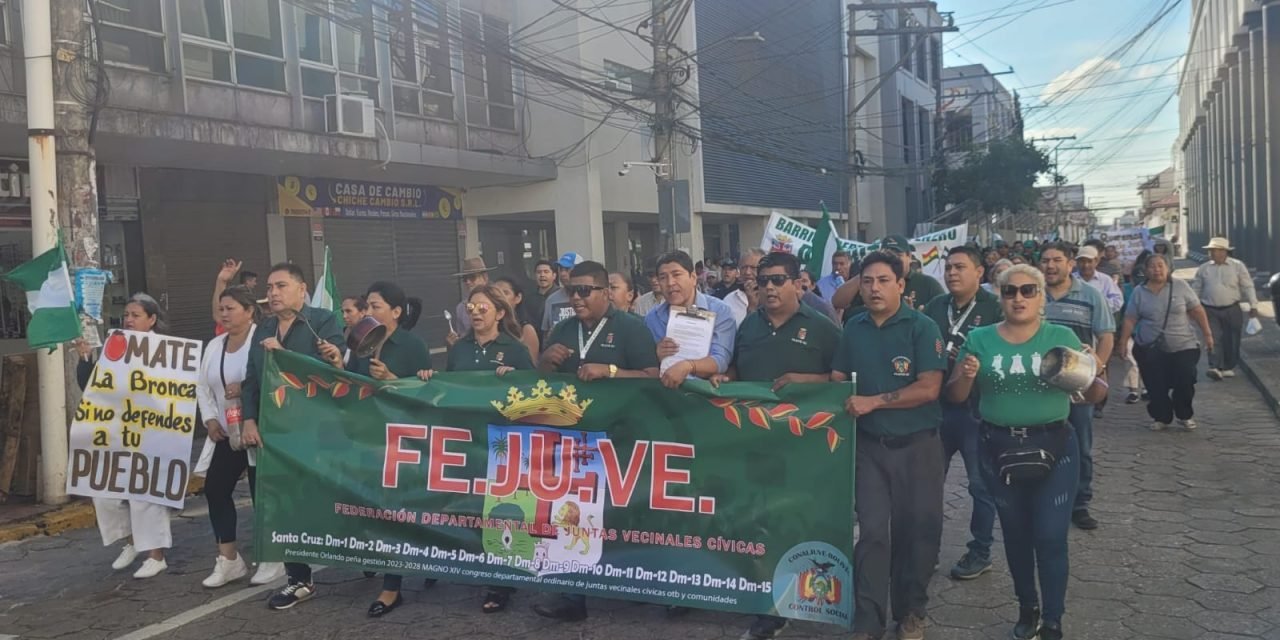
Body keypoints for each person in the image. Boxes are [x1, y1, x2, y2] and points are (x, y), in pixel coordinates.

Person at [946, 264, 1108, 640]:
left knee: (1050, 537)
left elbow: (1095, 396)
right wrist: (966, 375)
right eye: (1010, 291)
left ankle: (1053, 620)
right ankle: (1027, 609)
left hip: (1054, 447)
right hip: (998, 449)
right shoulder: (981, 339)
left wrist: (1092, 369)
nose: (1018, 298)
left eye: (1028, 291)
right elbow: (955, 396)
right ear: (1000, 296)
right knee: (1016, 537)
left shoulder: (1060, 336)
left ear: (1041, 297)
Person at [719, 252, 841, 640]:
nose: (769, 287)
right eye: (763, 281)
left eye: (777, 280)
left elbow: (841, 382)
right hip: (755, 442)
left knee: (798, 522)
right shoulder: (748, 327)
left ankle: (808, 595)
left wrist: (807, 380)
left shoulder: (822, 327)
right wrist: (725, 379)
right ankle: (768, 605)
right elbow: (737, 369)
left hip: (806, 447)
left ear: (796, 283)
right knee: (759, 520)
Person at [533, 261, 658, 623]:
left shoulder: (631, 328)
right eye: (572, 290)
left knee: (625, 514)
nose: (576, 297)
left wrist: (611, 372)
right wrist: (544, 361)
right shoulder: (562, 328)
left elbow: (652, 376)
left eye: (585, 291)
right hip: (574, 440)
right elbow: (541, 381)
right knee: (572, 514)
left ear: (606, 292)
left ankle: (635, 582)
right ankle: (572, 597)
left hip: (622, 437)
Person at [830, 251, 946, 640]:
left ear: (901, 284)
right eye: (867, 281)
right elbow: (838, 376)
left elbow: (930, 387)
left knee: (918, 530)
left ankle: (912, 610)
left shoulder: (922, 327)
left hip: (918, 446)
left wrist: (875, 401)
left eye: (883, 280)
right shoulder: (854, 327)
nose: (874, 288)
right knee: (874, 532)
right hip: (869, 448)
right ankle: (868, 618)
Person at [418, 285, 533, 614]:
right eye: (471, 308)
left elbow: (534, 391)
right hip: (467, 440)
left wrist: (516, 378)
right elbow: (451, 387)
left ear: (499, 313)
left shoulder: (514, 348)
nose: (476, 313)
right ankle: (473, 565)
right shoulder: (460, 348)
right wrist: (432, 377)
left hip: (502, 442)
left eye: (483, 307)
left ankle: (501, 583)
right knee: (468, 507)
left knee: (500, 510)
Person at [240, 263, 346, 611]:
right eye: (269, 287)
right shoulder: (264, 328)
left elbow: (332, 369)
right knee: (279, 502)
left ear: (302, 290)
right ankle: (298, 578)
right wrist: (249, 419)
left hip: (314, 429)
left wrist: (285, 356)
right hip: (274, 431)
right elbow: (251, 377)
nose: (272, 293)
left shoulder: (322, 322)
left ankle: (361, 550)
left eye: (281, 286)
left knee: (323, 498)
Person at [347, 282, 433, 618]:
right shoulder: (360, 343)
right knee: (371, 507)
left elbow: (428, 396)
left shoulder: (413, 345)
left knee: (395, 511)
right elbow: (352, 384)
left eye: (376, 305)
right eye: (366, 306)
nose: (369, 312)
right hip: (368, 436)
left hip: (403, 440)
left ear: (396, 312)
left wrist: (392, 378)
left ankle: (391, 587)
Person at [74, 294, 175, 579]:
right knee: (104, 490)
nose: (129, 320)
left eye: (136, 315)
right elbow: (93, 386)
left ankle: (156, 555)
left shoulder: (165, 350)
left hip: (152, 431)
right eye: (126, 315)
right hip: (116, 430)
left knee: (145, 493)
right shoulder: (115, 344)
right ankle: (131, 541)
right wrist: (86, 358)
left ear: (152, 319)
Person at [195, 286, 285, 588]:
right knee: (215, 489)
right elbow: (202, 386)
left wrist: (245, 385)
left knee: (264, 495)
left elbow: (275, 378)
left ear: (249, 311)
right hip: (227, 431)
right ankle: (229, 559)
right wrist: (209, 419)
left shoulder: (263, 341)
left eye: (230, 308)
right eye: (221, 308)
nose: (224, 314)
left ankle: (274, 557)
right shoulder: (215, 345)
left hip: (259, 429)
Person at [921, 247, 1002, 581]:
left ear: (979, 272)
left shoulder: (994, 308)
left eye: (960, 267)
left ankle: (980, 551)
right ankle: (927, 552)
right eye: (949, 267)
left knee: (980, 486)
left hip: (975, 412)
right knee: (927, 486)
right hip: (935, 410)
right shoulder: (935, 307)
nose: (952, 273)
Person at [1039, 242, 1113, 531]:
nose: (1050, 265)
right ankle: (1047, 501)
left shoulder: (1091, 295)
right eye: (1045, 260)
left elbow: (1105, 336)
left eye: (1057, 260)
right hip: (1041, 386)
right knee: (1043, 445)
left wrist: (1098, 372)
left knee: (1081, 445)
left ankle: (1080, 504)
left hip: (1078, 387)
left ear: (1070, 264)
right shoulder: (1032, 294)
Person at [1120, 254, 1214, 431]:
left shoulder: (1180, 286)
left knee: (1185, 379)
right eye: (1152, 266)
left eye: (1160, 265)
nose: (1157, 269)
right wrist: (1123, 342)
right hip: (1150, 347)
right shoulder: (1140, 292)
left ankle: (1184, 414)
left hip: (1183, 345)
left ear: (1168, 268)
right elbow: (1130, 319)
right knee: (1155, 384)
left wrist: (1207, 334)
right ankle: (1161, 416)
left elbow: (1197, 310)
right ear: (1146, 270)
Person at [644, 251, 737, 389]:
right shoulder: (652, 318)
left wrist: (688, 366)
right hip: (665, 395)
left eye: (676, 275)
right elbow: (644, 366)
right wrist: (655, 355)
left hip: (706, 394)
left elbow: (721, 359)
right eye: (663, 277)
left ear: (693, 277)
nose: (670, 283)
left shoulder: (720, 311)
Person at [1193, 237, 1258, 381]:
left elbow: (1247, 285)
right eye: (1211, 251)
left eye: (1216, 250)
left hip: (1232, 308)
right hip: (1209, 308)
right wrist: (1193, 306)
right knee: (1212, 337)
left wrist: (1253, 305)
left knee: (1232, 338)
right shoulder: (1204, 268)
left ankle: (1228, 366)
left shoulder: (1237, 266)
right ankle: (1215, 366)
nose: (1213, 253)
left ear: (1224, 252)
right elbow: (1196, 288)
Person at [832, 236, 943, 316]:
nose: (893, 259)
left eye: (898, 255)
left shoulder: (928, 284)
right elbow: (837, 302)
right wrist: (866, 272)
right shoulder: (870, 283)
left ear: (909, 257)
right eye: (889, 255)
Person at [1075, 245, 1124, 419]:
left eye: (1089, 261)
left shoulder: (1105, 280)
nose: (1085, 265)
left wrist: (1100, 308)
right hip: (1079, 329)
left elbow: (1118, 300)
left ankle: (1099, 402)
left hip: (1100, 328)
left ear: (1096, 261)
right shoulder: (1071, 279)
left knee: (1101, 365)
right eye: (1081, 261)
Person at [492, 276, 542, 358]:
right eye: (496, 294)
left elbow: (530, 366)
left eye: (505, 293)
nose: (500, 297)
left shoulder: (526, 330)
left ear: (518, 298)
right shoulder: (488, 327)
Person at [541, 252, 585, 335]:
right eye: (561, 270)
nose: (562, 274)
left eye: (567, 269)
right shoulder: (551, 299)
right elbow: (546, 333)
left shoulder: (589, 297)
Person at [450, 257, 495, 337]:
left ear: (485, 278)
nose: (468, 282)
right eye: (465, 279)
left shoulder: (497, 302)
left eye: (472, 277)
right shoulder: (461, 308)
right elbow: (461, 336)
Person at [724, 249, 765, 325]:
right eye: (744, 267)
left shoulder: (772, 297)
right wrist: (751, 308)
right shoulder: (729, 300)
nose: (747, 272)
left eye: (753, 268)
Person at [526, 259, 560, 326]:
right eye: (539, 272)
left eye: (546, 272)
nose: (542, 275)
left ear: (554, 276)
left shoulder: (561, 295)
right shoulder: (529, 299)